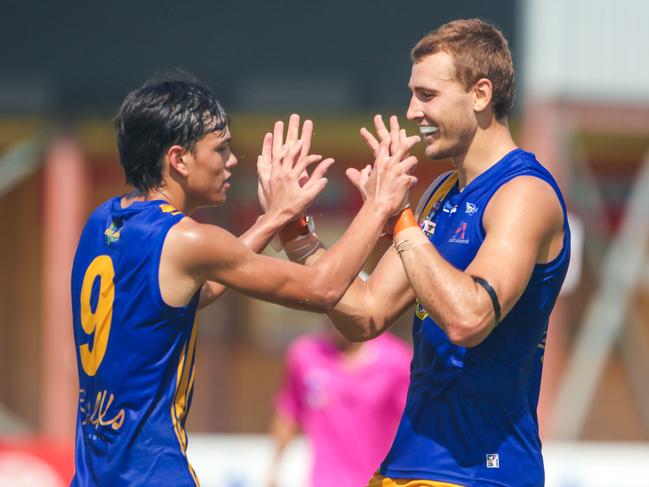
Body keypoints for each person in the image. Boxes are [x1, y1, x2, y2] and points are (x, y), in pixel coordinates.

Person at [263, 19, 571, 487]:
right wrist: (297, 235)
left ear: (481, 94)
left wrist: (399, 219)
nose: (412, 111)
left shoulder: (523, 193)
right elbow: (364, 315)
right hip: (405, 465)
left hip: (480, 472)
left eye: (427, 95)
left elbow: (468, 318)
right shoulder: (440, 194)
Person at [69, 74, 419, 486]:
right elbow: (323, 288)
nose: (232, 161)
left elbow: (192, 292)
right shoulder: (187, 239)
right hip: (152, 475)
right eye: (221, 149)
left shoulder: (104, 221)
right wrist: (379, 205)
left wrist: (273, 220)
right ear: (179, 159)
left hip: (93, 474)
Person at [267, 326, 411, 487]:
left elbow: (412, 423)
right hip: (324, 481)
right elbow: (289, 413)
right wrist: (274, 469)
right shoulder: (306, 355)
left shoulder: (395, 359)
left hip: (378, 481)